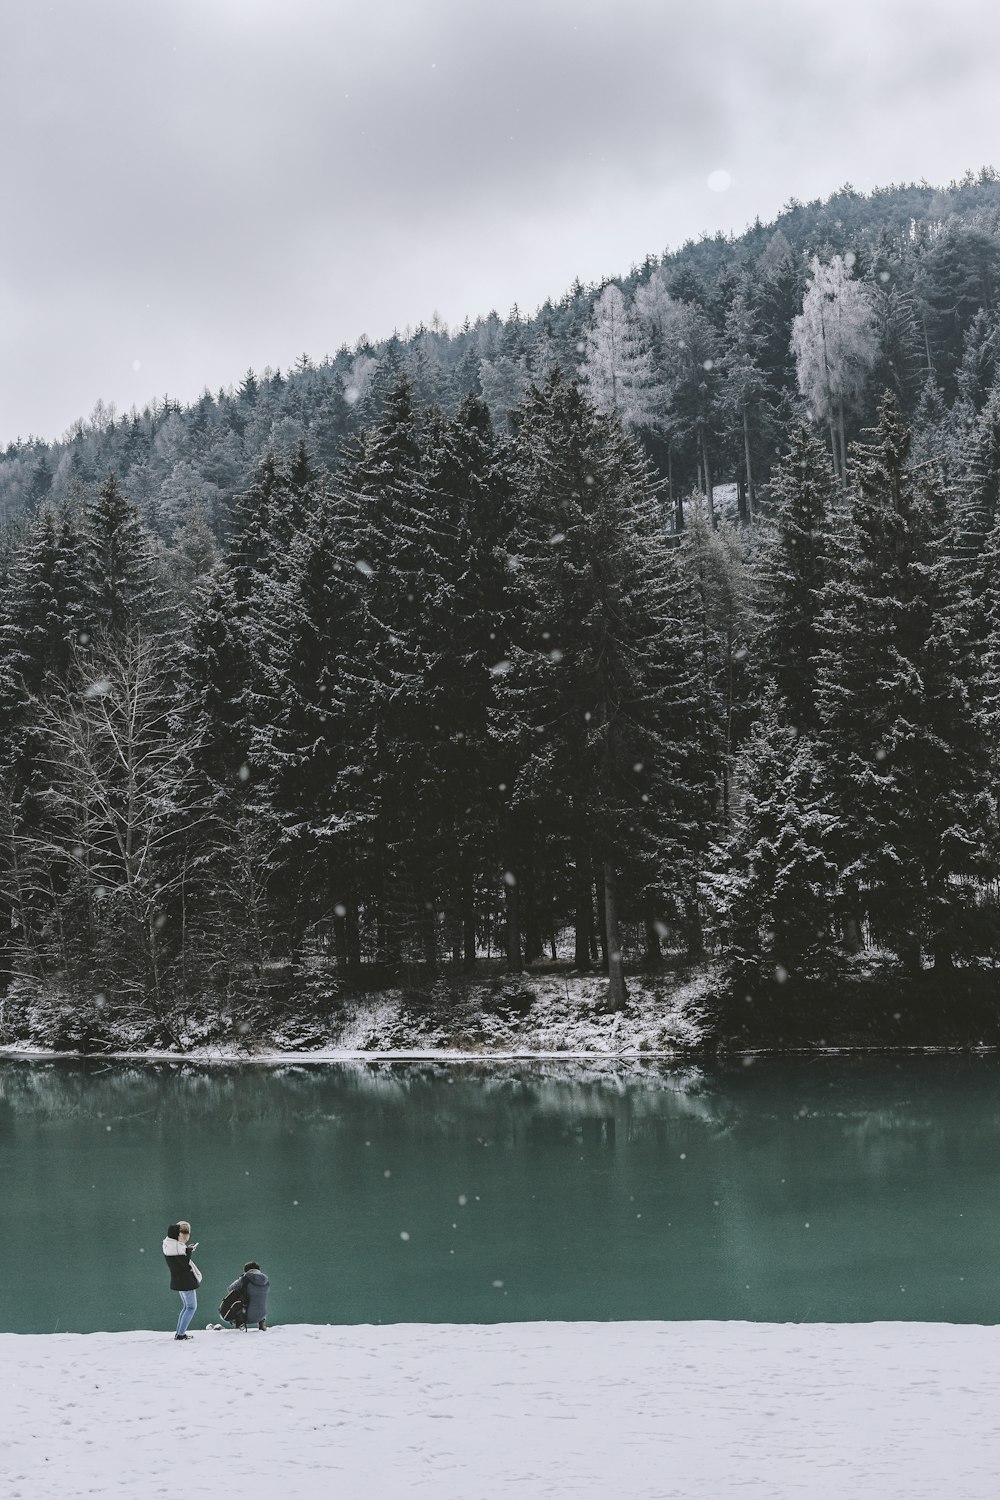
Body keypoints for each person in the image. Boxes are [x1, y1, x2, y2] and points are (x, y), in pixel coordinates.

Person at [162, 1220, 202, 1340]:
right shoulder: (177, 1247)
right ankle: (180, 1334)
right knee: (191, 1307)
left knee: (186, 1307)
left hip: (178, 1280)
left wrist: (187, 1250)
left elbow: (179, 1260)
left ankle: (180, 1332)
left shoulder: (168, 1244)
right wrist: (189, 1251)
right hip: (185, 1281)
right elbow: (184, 1264)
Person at [221, 1260, 270, 1331]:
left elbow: (230, 1288)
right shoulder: (266, 1280)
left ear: (246, 1270)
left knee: (237, 1298)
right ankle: (262, 1323)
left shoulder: (245, 1278)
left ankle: (239, 1324)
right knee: (259, 1299)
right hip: (261, 1315)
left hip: (246, 1316)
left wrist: (242, 1283)